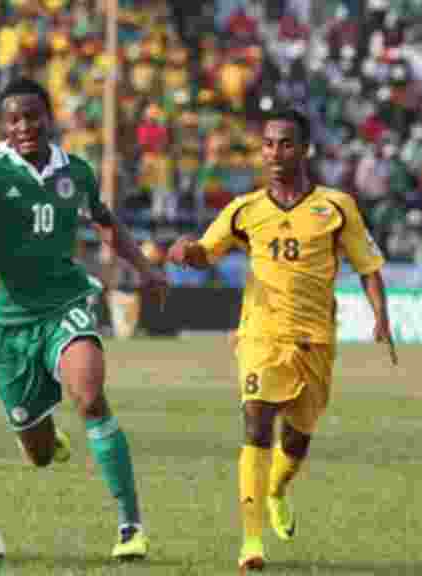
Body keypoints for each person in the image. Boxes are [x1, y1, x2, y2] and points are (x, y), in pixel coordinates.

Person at [0, 78, 167, 561]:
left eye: (33, 116)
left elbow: (103, 220)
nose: (24, 127)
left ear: (48, 117)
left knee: (90, 396)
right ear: (3, 126)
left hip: (66, 303)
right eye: (14, 119)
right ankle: (44, 435)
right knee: (38, 453)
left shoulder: (75, 171)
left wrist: (144, 267)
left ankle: (130, 527)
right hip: (9, 323)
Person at [166, 106, 393, 572]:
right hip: (260, 335)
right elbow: (207, 252)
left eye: (285, 143)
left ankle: (277, 490)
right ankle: (251, 544)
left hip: (315, 339)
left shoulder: (335, 207)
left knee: (298, 437)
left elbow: (369, 266)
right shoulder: (244, 210)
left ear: (304, 149)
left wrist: (380, 319)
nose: (274, 152)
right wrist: (187, 252)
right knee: (255, 423)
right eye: (268, 143)